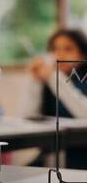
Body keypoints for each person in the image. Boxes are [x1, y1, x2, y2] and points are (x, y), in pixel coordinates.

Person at [23, 28, 87, 168]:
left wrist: (53, 77)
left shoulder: (78, 81)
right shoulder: (49, 83)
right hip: (51, 157)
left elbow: (84, 114)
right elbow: (28, 117)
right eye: (55, 49)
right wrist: (34, 81)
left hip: (80, 159)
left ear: (82, 54)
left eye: (68, 49)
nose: (60, 54)